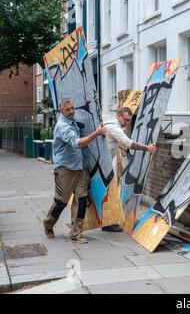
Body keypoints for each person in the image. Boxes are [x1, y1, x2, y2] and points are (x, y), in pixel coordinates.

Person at [43, 99, 108, 244]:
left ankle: (76, 233)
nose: (72, 111)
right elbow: (78, 143)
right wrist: (96, 133)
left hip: (80, 168)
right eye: (68, 110)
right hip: (65, 169)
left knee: (81, 201)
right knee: (61, 202)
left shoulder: (73, 121)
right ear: (61, 111)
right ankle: (48, 224)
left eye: (73, 108)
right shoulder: (62, 127)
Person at [102, 106, 156, 232]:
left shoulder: (111, 125)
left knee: (106, 194)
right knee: (108, 194)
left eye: (129, 121)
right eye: (125, 120)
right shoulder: (114, 127)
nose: (126, 123)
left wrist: (124, 149)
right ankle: (107, 224)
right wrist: (147, 148)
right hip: (103, 166)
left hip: (103, 164)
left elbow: (117, 142)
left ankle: (106, 223)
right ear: (119, 116)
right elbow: (128, 143)